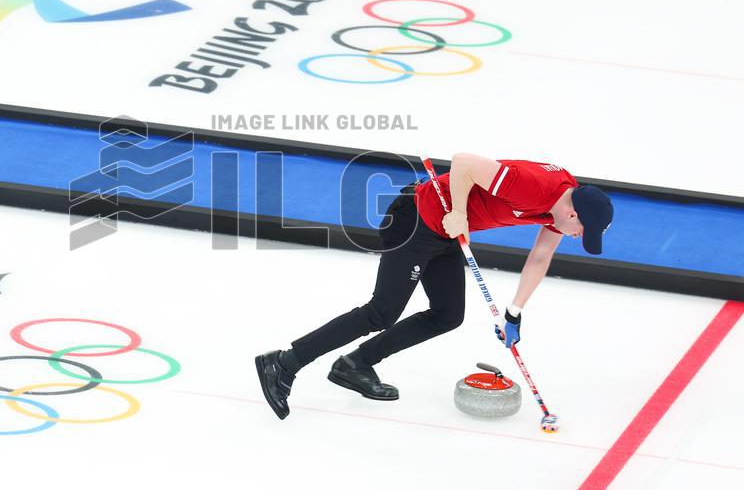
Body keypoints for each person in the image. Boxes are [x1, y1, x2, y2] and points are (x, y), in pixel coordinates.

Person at [255, 153, 613, 420]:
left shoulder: (560, 211)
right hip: (416, 219)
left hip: (444, 230)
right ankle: (285, 363)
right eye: (582, 231)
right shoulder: (533, 186)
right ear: (573, 214)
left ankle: (355, 364)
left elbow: (540, 256)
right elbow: (464, 162)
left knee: (447, 314)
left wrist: (514, 312)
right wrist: (459, 211)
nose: (578, 236)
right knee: (381, 312)